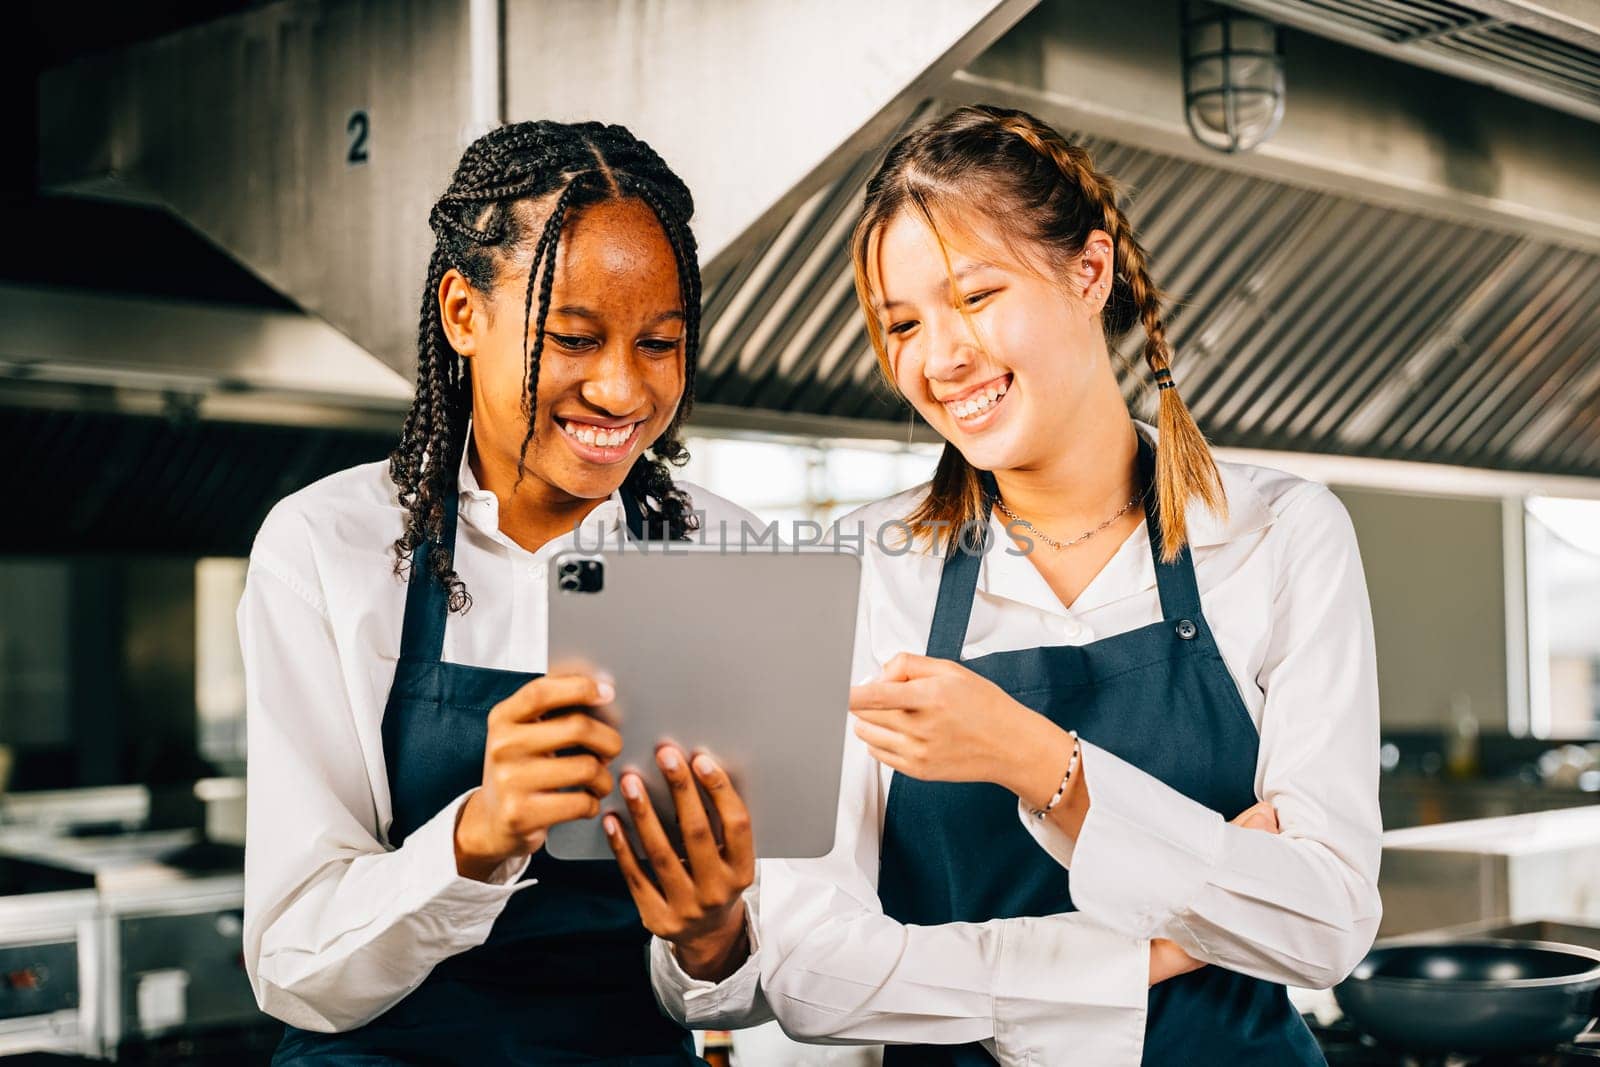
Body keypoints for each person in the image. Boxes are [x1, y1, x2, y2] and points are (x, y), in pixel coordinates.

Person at [613, 105, 1382, 1066]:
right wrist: (1171, 937)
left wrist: (1038, 761)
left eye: (974, 297)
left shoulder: (1277, 534)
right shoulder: (857, 571)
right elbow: (811, 969)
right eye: (902, 323)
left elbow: (1329, 923)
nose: (940, 358)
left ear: (1088, 271)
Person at [239, 119, 755, 1064]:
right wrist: (478, 835)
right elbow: (289, 962)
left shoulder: (727, 554)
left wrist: (713, 935)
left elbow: (751, 967)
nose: (622, 388)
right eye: (574, 337)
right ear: (462, 312)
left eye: (660, 342)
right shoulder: (329, 545)